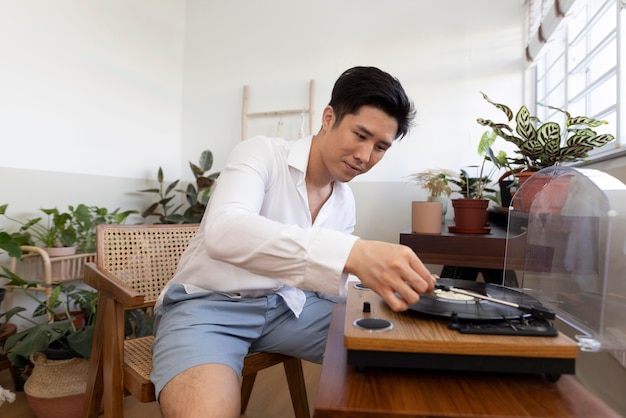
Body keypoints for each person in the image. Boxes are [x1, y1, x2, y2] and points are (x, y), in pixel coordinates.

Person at [151, 66, 437, 418]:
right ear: (329, 117)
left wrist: (386, 285)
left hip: (290, 307)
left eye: (380, 147)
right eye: (360, 135)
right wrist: (354, 253)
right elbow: (224, 232)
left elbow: (333, 284)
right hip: (208, 308)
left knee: (396, 358)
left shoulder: (344, 201)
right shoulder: (260, 154)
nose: (365, 156)